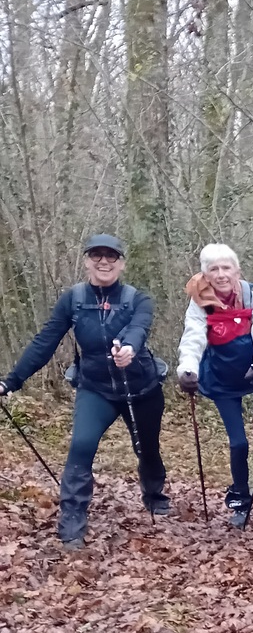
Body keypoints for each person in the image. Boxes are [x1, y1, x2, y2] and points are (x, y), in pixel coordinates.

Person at [0, 234, 170, 549]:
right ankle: (72, 523)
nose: (103, 261)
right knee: (81, 446)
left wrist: (129, 348)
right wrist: (11, 381)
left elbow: (139, 328)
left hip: (141, 388)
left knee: (147, 448)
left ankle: (154, 493)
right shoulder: (73, 299)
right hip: (96, 389)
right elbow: (45, 341)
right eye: (96, 255)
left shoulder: (137, 299)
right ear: (87, 261)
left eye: (111, 256)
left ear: (122, 263)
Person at [176, 243, 253, 528]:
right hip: (221, 377)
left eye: (226, 268)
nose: (220, 274)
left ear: (237, 270)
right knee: (239, 442)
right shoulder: (200, 301)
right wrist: (188, 369)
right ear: (205, 274)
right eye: (213, 269)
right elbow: (194, 335)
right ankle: (240, 498)